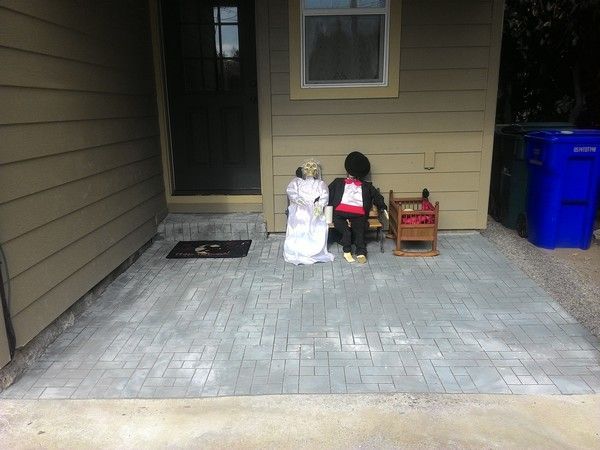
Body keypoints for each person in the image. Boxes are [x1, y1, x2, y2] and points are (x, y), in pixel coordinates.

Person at [328, 151, 388, 264]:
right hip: (339, 213)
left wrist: (382, 206)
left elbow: (376, 196)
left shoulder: (366, 185)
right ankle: (346, 251)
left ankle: (361, 252)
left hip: (358, 213)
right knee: (346, 231)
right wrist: (317, 202)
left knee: (359, 230)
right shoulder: (338, 182)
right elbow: (326, 193)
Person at [283, 159, 334, 265]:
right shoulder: (297, 182)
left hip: (314, 208)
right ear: (303, 170)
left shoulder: (320, 183)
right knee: (301, 218)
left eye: (313, 166)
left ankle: (312, 250)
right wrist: (297, 199)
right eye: (308, 166)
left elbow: (325, 195)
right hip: (299, 207)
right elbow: (290, 191)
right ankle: (299, 249)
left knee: (316, 221)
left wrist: (319, 205)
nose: (310, 169)